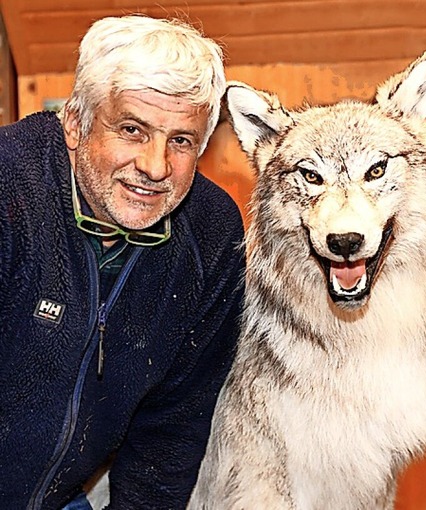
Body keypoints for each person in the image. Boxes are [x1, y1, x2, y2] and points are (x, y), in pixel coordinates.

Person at [0, 14, 245, 509]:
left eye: (181, 141)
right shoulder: (9, 190)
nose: (156, 167)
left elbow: (172, 425)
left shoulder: (212, 233)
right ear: (75, 122)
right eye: (132, 129)